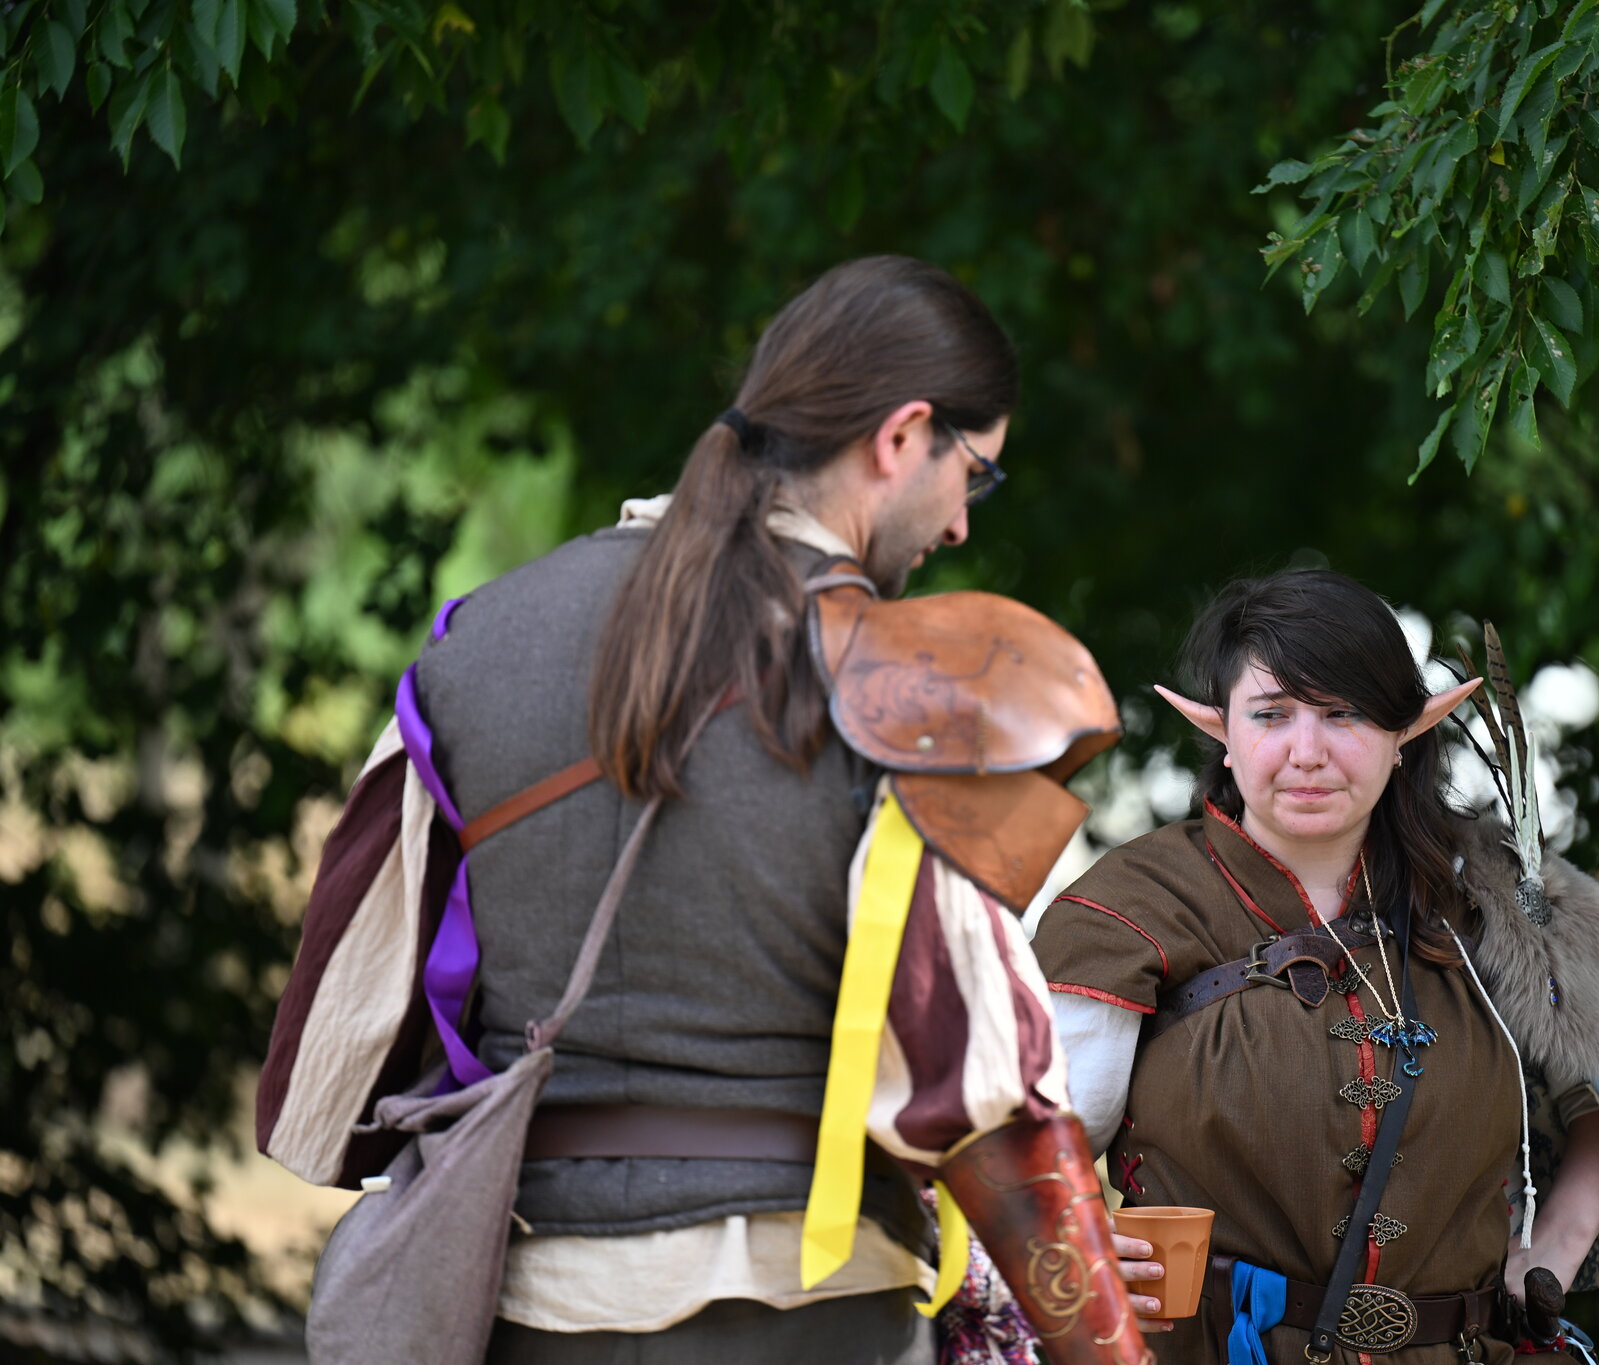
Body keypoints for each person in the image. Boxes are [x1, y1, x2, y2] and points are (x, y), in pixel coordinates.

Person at [258, 256, 1152, 1365]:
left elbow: (347, 1032)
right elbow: (988, 1086)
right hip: (802, 1317)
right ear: (902, 436)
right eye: (975, 472)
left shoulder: (471, 644)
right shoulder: (910, 686)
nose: (963, 524)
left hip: (531, 1308)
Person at [1030, 570, 1599, 1364]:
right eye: (1271, 714)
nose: (1307, 752)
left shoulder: (1487, 901)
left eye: (1344, 713)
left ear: (1405, 732)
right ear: (1220, 728)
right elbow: (1023, 1155)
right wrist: (1074, 1244)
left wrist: (1553, 1250)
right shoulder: (1130, 906)